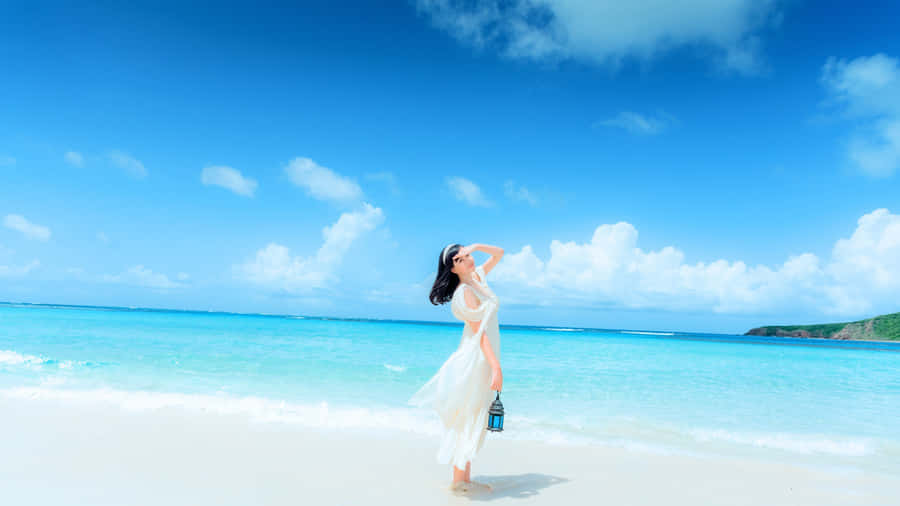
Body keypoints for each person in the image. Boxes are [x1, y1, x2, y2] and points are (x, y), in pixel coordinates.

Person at [408, 242, 504, 494]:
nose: (468, 259)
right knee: (468, 416)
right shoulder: (465, 293)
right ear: (452, 269)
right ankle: (459, 481)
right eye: (461, 259)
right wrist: (496, 367)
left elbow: (499, 254)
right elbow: (479, 333)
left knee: (474, 414)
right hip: (476, 358)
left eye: (468, 255)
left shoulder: (478, 278)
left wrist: (476, 246)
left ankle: (464, 479)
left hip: (483, 356)